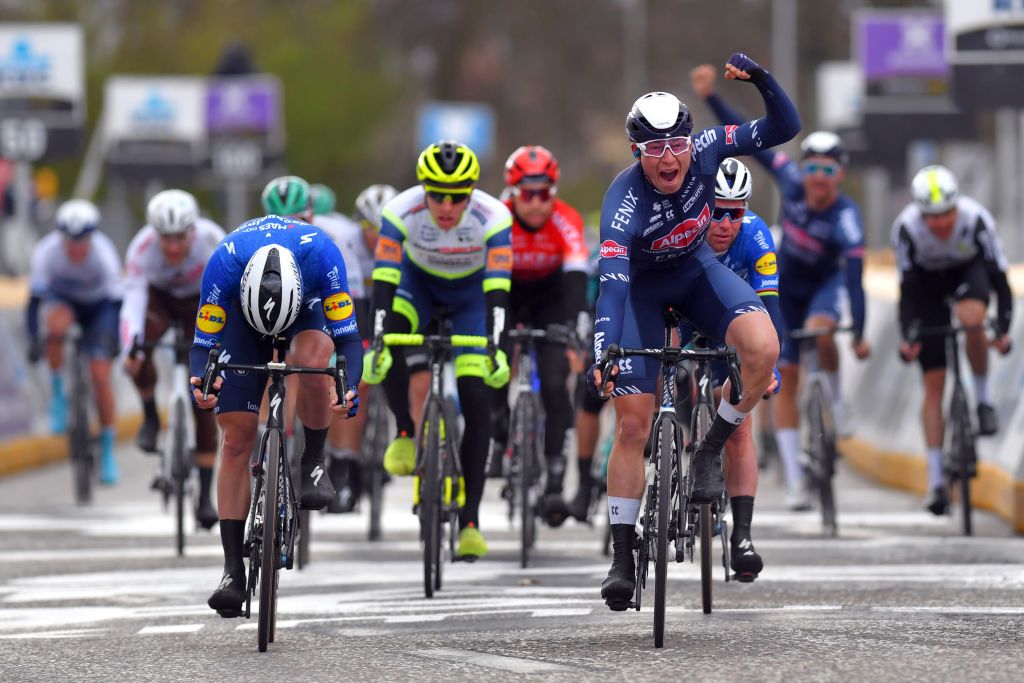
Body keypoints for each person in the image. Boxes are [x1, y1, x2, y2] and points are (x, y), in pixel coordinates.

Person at [590, 52, 800, 611]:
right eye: (654, 148)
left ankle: (709, 448)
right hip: (639, 291)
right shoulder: (623, 204)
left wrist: (759, 79)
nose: (668, 158)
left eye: (676, 144)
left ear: (690, 141)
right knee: (632, 424)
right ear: (637, 152)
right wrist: (603, 351)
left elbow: (784, 128)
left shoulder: (708, 149)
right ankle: (621, 556)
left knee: (764, 349)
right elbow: (611, 284)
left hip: (696, 274)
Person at [692, 63, 870, 511]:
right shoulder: (789, 183)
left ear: (840, 175)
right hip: (785, 283)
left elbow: (852, 276)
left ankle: (837, 397)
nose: (817, 176)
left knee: (823, 329)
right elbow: (749, 138)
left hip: (825, 285)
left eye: (828, 169)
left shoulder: (846, 216)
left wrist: (862, 331)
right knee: (784, 374)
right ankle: (794, 479)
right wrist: (713, 97)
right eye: (812, 166)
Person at [190, 205, 362, 617]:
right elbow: (201, 345)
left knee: (315, 361)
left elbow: (350, 341)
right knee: (235, 439)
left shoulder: (322, 254)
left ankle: (314, 461)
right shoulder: (225, 260)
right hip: (242, 320)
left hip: (306, 312)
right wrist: (202, 382)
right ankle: (232, 570)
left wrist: (349, 387)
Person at [362, 141, 511, 561]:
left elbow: (498, 291)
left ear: (472, 192)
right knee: (390, 336)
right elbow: (384, 285)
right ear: (422, 189)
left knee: (477, 397)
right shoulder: (399, 212)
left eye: (457, 196)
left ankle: (470, 522)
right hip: (417, 287)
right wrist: (377, 342)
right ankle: (406, 432)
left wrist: (496, 349)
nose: (446, 206)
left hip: (470, 298)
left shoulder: (495, 216)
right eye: (437, 195)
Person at [678, 158, 785, 581]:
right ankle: (669, 438)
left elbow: (771, 310)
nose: (724, 222)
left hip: (732, 324)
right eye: (716, 210)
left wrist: (768, 368)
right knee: (657, 369)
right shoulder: (684, 228)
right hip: (686, 313)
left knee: (740, 423)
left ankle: (742, 536)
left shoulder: (757, 237)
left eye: (734, 212)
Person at [893, 165, 1012, 515]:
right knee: (934, 383)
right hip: (926, 287)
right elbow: (906, 292)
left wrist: (1002, 331)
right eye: (933, 217)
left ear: (957, 205)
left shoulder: (976, 221)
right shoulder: (906, 229)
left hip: (967, 274)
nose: (942, 223)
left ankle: (983, 399)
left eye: (947, 213)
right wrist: (908, 335)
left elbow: (1001, 284)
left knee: (972, 319)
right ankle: (935, 483)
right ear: (919, 213)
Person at [489, 145, 590, 527]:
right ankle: (499, 431)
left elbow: (577, 275)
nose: (536, 203)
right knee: (495, 362)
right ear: (512, 192)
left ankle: (554, 479)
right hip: (507, 289)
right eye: (526, 194)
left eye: (544, 193)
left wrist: (578, 322)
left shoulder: (566, 219)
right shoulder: (497, 219)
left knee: (553, 381)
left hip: (551, 295)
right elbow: (487, 281)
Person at [121, 190, 225, 528]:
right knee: (139, 349)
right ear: (155, 235)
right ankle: (150, 416)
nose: (174, 247)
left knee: (206, 393)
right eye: (166, 239)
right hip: (160, 300)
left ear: (192, 231)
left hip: (202, 299)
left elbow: (230, 299)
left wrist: (223, 352)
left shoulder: (213, 240)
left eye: (180, 238)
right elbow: (133, 301)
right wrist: (131, 348)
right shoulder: (141, 249)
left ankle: (205, 497)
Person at [27, 199, 122, 484]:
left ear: (92, 237)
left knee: (100, 375)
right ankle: (58, 392)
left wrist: (113, 341)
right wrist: (35, 340)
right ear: (61, 237)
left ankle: (107, 449)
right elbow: (33, 304)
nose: (77, 248)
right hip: (64, 302)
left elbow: (117, 304)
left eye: (83, 241)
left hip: (99, 308)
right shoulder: (46, 253)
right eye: (71, 241)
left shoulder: (105, 254)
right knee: (55, 325)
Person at [311, 182, 370, 512]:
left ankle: (345, 461)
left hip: (341, 298)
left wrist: (356, 345)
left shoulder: (338, 237)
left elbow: (353, 297)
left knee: (348, 377)